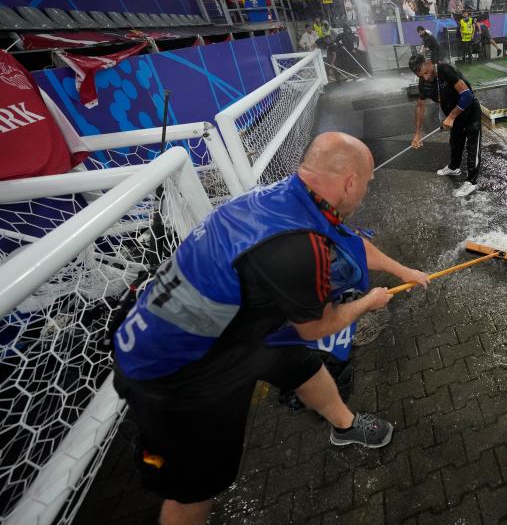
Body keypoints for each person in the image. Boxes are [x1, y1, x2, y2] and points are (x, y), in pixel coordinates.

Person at [112, 132, 429, 525]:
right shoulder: (296, 246)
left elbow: (350, 245)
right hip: (178, 370)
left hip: (235, 326)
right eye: (365, 184)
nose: (365, 191)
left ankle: (344, 426)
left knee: (302, 366)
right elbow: (317, 326)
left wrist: (405, 271)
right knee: (194, 488)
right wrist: (370, 301)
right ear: (349, 182)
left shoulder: (292, 198)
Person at [408, 54, 482, 197]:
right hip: (453, 116)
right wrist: (417, 133)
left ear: (429, 63)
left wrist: (452, 116)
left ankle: (471, 182)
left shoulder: (445, 70)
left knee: (473, 146)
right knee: (455, 141)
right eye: (421, 76)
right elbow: (420, 106)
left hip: (469, 111)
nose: (426, 78)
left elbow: (467, 95)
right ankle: (454, 167)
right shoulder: (423, 82)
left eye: (426, 73)